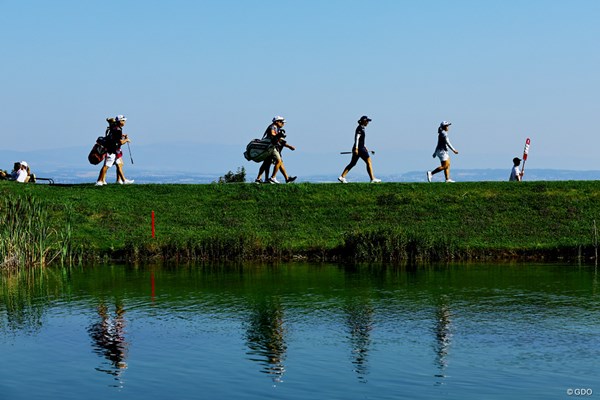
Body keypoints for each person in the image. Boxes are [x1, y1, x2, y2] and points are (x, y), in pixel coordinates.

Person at [338, 115, 381, 183]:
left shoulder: (362, 128)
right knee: (369, 161)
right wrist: (356, 148)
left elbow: (361, 140)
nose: (368, 123)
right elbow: (357, 138)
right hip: (360, 149)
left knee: (353, 163)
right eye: (367, 121)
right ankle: (372, 179)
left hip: (360, 148)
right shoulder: (360, 129)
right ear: (364, 121)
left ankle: (342, 177)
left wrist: (365, 146)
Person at [255, 116, 297, 184]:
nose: (283, 124)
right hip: (271, 147)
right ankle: (272, 178)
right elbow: (273, 135)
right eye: (281, 122)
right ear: (277, 121)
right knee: (278, 161)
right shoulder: (273, 127)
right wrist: (289, 146)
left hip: (270, 147)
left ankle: (286, 178)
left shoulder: (275, 128)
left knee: (269, 163)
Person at [96, 115, 133, 186]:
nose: (125, 122)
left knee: (119, 164)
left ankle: (124, 180)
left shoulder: (114, 128)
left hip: (114, 150)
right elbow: (120, 142)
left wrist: (122, 136)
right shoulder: (118, 130)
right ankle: (99, 181)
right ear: (120, 121)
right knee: (106, 166)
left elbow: (115, 137)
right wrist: (126, 140)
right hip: (112, 150)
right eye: (124, 120)